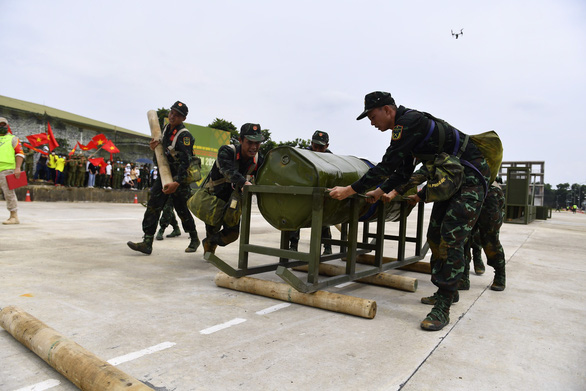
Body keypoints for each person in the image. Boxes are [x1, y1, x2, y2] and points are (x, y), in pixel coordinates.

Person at [329, 91, 490, 331]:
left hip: (471, 179)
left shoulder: (408, 123)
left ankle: (444, 304)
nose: (372, 123)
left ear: (387, 110)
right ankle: (448, 291)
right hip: (451, 180)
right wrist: (380, 190)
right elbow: (403, 172)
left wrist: (350, 190)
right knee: (434, 236)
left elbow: (387, 164)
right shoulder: (407, 131)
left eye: (372, 116)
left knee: (450, 238)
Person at [127, 101, 201, 255]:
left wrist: (177, 182)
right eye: (172, 112)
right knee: (153, 205)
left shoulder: (184, 136)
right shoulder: (167, 129)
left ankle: (194, 238)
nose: (172, 116)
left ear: (183, 118)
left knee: (182, 210)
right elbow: (163, 152)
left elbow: (186, 162)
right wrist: (155, 145)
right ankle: (147, 242)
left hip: (179, 178)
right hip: (164, 174)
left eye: (177, 115)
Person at [199, 123, 264, 255]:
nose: (254, 147)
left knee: (232, 235)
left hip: (234, 202)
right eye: (250, 142)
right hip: (216, 199)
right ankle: (209, 250)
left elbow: (265, 177)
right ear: (240, 140)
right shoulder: (227, 151)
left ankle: (210, 241)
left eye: (257, 143)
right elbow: (227, 170)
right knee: (212, 228)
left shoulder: (258, 159)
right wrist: (244, 183)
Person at [289, 130, 333, 254]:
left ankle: (328, 247)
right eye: (315, 146)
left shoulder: (331, 157)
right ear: (311, 143)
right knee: (296, 217)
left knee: (324, 220)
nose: (318, 150)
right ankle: (293, 245)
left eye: (321, 147)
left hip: (321, 193)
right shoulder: (303, 155)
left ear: (327, 146)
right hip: (304, 191)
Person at [458, 182, 507, 291]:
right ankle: (463, 277)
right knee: (463, 235)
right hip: (466, 190)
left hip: (489, 191)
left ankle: (500, 274)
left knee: (490, 237)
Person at [0, 117, 24, 224]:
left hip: (7, 170)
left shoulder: (13, 138)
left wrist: (17, 167)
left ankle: (14, 216)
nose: (1, 126)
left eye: (3, 124)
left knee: (8, 193)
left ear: (7, 126)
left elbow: (19, 153)